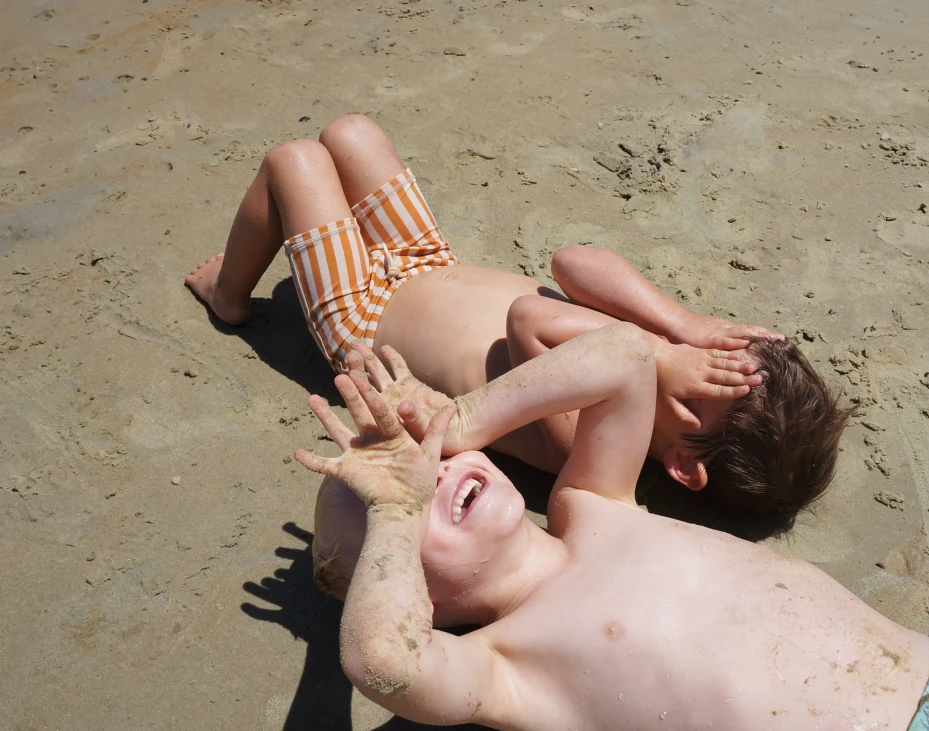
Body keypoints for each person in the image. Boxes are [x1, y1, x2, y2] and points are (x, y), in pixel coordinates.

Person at [297, 328, 929, 731]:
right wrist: (396, 507)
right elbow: (383, 662)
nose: (426, 474)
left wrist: (459, 420)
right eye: (400, 501)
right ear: (412, 596)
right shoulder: (500, 667)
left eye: (426, 462)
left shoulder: (592, 505)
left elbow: (624, 359)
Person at [186, 113, 849, 520]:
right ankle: (314, 241)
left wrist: (661, 353)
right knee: (350, 134)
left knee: (294, 161)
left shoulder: (581, 437)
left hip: (366, 318)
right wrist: (681, 322)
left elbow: (533, 315)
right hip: (423, 262)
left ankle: (229, 295)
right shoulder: (665, 348)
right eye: (727, 351)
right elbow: (571, 264)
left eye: (715, 381)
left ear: (682, 463)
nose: (708, 358)